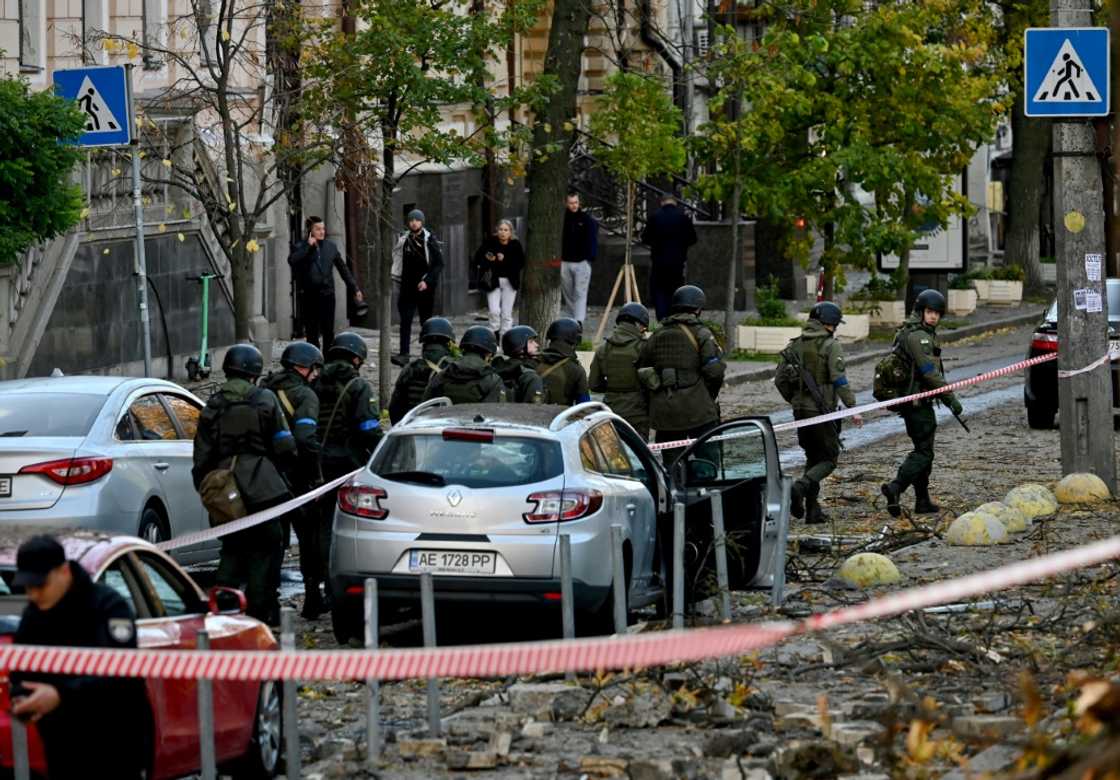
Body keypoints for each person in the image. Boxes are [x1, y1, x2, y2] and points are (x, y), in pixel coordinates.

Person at [11, 535, 151, 779]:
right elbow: (21, 669)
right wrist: (22, 697)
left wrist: (60, 695)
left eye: (40, 585)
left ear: (64, 572)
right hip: (62, 749)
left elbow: (120, 674)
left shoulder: (107, 606)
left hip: (116, 746)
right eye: (27, 587)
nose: (33, 594)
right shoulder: (34, 615)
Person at [193, 344, 296, 625]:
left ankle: (224, 609)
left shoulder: (213, 404)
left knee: (232, 546)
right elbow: (285, 445)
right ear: (254, 371)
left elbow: (201, 456)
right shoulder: (265, 399)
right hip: (264, 487)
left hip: (225, 487)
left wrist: (209, 487)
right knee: (267, 547)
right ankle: (260, 612)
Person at [259, 342, 327, 619]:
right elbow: (305, 439)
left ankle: (269, 604)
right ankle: (313, 599)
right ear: (304, 367)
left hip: (266, 477)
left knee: (274, 542)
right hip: (298, 478)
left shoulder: (264, 391)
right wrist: (316, 477)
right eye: (314, 368)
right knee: (310, 539)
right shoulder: (305, 395)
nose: (316, 374)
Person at [881, 290, 963, 517]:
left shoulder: (918, 332)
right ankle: (896, 487)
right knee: (924, 453)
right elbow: (929, 372)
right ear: (920, 312)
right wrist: (951, 399)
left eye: (937, 313)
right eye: (929, 312)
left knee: (923, 450)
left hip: (920, 400)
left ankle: (922, 500)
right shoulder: (918, 336)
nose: (934, 316)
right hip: (916, 403)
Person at [787, 302, 864, 524]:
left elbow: (782, 379)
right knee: (828, 459)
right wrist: (853, 408)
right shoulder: (831, 346)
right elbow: (839, 380)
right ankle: (799, 488)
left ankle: (813, 510)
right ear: (829, 325)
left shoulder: (795, 345)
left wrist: (795, 400)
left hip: (800, 412)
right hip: (822, 412)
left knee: (813, 457)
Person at [636, 284, 725, 463]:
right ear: (698, 309)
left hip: (665, 411)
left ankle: (674, 489)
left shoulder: (658, 334)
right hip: (697, 409)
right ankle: (702, 488)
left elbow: (642, 368)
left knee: (672, 462)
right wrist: (707, 396)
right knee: (708, 459)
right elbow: (715, 372)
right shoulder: (701, 333)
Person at [288, 216, 364, 351]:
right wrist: (307, 246)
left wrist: (355, 288)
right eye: (318, 229)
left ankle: (328, 361)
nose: (322, 232)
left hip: (327, 295)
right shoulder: (300, 246)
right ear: (310, 231)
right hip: (309, 296)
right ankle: (314, 362)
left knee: (328, 331)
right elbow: (292, 261)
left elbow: (343, 269)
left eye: (323, 229)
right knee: (312, 333)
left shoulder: (330, 247)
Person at [590, 302, 651, 439]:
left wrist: (613, 387)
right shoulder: (644, 347)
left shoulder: (603, 348)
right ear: (639, 324)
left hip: (611, 411)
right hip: (638, 412)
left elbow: (594, 384)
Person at [392, 209, 444, 358]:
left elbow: (439, 264)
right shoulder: (404, 239)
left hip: (424, 287)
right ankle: (404, 353)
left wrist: (427, 281)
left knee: (426, 322)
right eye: (411, 220)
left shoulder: (429, 239)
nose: (414, 222)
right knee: (405, 321)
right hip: (407, 287)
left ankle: (429, 352)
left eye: (417, 220)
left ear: (422, 222)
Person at [641, 195, 698, 321]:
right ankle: (674, 316)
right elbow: (693, 238)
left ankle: (662, 317)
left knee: (659, 290)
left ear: (662, 202)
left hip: (658, 261)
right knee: (676, 289)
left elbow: (645, 238)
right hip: (677, 261)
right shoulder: (683, 218)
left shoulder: (655, 217)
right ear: (675, 203)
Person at [389, 317, 456, 423]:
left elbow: (395, 408)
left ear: (424, 343)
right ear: (449, 343)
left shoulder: (410, 368)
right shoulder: (454, 367)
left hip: (414, 427)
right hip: (442, 428)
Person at [424, 326, 506, 404]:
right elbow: (497, 412)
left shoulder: (443, 374)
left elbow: (425, 404)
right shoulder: (493, 380)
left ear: (463, 349)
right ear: (488, 354)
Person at [473, 219, 525, 337]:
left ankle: (505, 338)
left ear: (510, 232)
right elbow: (478, 257)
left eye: (506, 230)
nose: (503, 232)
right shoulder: (490, 242)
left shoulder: (515, 245)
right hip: (492, 280)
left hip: (510, 282)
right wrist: (490, 259)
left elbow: (521, 263)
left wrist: (505, 259)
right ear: (497, 231)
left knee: (506, 314)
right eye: (501, 229)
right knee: (494, 311)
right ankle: (494, 337)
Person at [560, 191, 599, 325]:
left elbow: (592, 239)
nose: (574, 205)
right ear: (566, 203)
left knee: (580, 293)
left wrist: (590, 258)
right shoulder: (561, 220)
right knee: (568, 294)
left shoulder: (587, 220)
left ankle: (579, 322)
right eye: (571, 203)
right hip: (565, 261)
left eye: (576, 202)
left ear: (579, 203)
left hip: (582, 262)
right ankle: (572, 321)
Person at [538, 317, 591, 406]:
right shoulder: (577, 370)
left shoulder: (534, 361)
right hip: (560, 418)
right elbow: (584, 405)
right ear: (575, 340)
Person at [493, 325, 545, 403]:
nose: (536, 345)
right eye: (531, 342)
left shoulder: (500, 367)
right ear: (520, 347)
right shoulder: (529, 374)